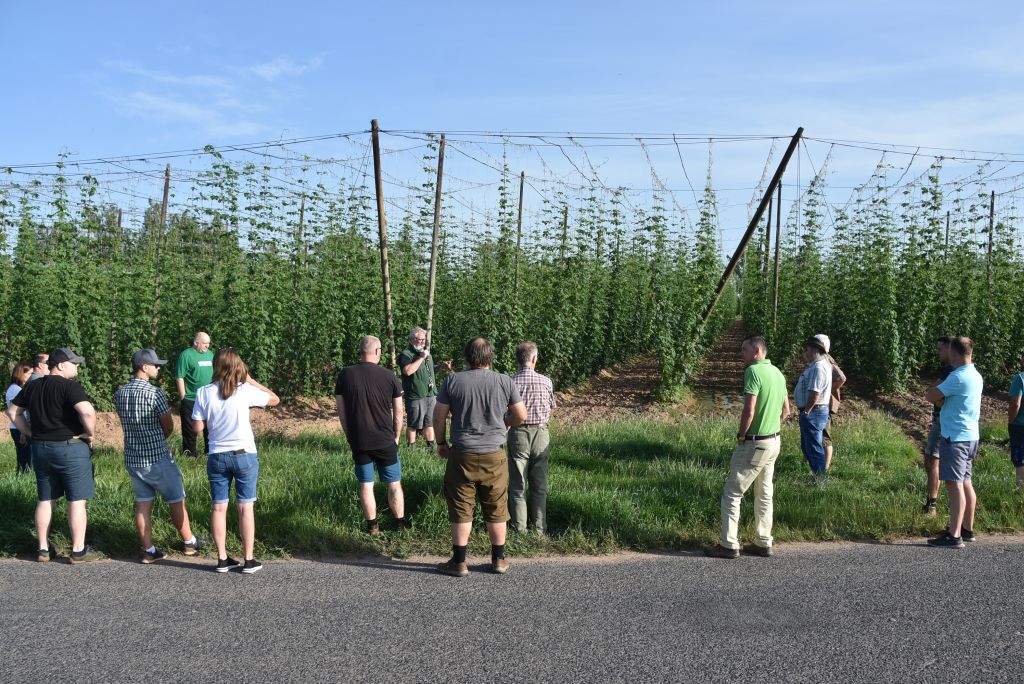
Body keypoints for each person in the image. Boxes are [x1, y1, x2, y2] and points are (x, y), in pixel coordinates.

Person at [433, 337, 527, 576]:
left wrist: (442, 443)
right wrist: (505, 423)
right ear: (490, 357)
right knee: (496, 505)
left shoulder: (452, 380)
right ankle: (498, 560)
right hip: (494, 454)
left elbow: (438, 416)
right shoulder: (504, 381)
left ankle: (460, 562)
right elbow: (521, 415)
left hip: (462, 453)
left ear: (467, 357)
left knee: (462, 506)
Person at [6, 348, 105, 563]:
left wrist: (29, 432)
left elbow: (12, 412)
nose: (77, 366)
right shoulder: (70, 387)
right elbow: (87, 411)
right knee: (77, 500)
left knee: (45, 498)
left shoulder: (31, 386)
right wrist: (89, 433)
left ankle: (42, 548)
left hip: (41, 448)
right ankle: (78, 551)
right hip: (71, 447)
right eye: (74, 363)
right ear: (60, 365)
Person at [192, 348, 279, 574]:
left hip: (217, 455)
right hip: (244, 454)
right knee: (245, 507)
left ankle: (222, 559)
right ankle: (248, 560)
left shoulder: (203, 392)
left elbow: (198, 428)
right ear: (237, 366)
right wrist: (250, 380)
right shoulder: (245, 390)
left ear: (216, 366)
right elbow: (274, 400)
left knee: (219, 507)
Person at [114, 349, 205, 563]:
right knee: (176, 499)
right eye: (155, 365)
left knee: (143, 503)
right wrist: (159, 441)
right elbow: (168, 426)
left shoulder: (120, 392)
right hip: (156, 457)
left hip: (133, 458)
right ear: (144, 368)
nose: (158, 368)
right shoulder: (155, 393)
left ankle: (149, 549)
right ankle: (189, 542)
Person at [706, 336, 790, 559]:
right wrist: (772, 427)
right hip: (774, 441)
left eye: (744, 349)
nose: (740, 353)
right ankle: (763, 542)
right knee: (764, 493)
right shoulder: (778, 374)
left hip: (755, 442)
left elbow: (749, 410)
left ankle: (728, 544)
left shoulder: (753, 372)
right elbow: (787, 411)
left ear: (757, 351)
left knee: (733, 492)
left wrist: (742, 435)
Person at [335, 335, 411, 535]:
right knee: (394, 483)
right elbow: (399, 412)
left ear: (361, 352)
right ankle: (400, 524)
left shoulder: (345, 375)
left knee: (366, 484)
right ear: (377, 352)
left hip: (359, 440)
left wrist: (349, 435)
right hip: (385, 440)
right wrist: (396, 436)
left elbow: (341, 411)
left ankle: (372, 527)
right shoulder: (389, 376)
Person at [925, 336, 982, 548]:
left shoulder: (957, 377)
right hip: (970, 436)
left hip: (955, 437)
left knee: (954, 484)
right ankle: (967, 529)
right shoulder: (975, 374)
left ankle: (954, 535)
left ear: (955, 353)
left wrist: (940, 398)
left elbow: (931, 395)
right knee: (966, 482)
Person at [507, 341, 556, 534]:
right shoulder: (546, 381)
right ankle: (539, 528)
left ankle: (520, 528)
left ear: (517, 360)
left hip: (518, 433)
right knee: (539, 484)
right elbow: (551, 407)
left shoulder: (510, 381)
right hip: (541, 433)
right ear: (534, 359)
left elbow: (506, 412)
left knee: (518, 485)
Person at [398, 327, 452, 448]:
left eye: (424, 340)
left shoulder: (426, 353)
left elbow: (429, 371)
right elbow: (407, 371)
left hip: (430, 394)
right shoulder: (406, 354)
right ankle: (411, 449)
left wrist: (442, 367)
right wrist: (421, 357)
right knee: (413, 424)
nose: (422, 342)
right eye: (419, 339)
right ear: (412, 339)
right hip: (415, 395)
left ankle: (431, 449)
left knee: (429, 423)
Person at [794, 334, 833, 482]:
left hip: (814, 411)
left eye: (808, 349)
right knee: (808, 445)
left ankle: (820, 479)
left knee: (814, 446)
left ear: (816, 350)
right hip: (813, 411)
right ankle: (817, 474)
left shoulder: (818, 367)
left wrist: (807, 410)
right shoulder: (818, 365)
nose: (806, 352)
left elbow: (815, 392)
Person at [923, 337, 954, 515]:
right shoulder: (951, 369)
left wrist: (933, 393)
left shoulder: (950, 370)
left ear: (951, 350)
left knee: (933, 459)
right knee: (931, 458)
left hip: (941, 420)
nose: (938, 352)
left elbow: (933, 391)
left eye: (940, 349)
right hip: (940, 418)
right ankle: (931, 501)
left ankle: (932, 504)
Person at [175, 332, 214, 458]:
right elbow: (180, 376)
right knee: (190, 429)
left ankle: (210, 452)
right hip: (191, 398)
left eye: (208, 343)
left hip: (209, 398)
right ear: (196, 343)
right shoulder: (186, 355)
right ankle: (190, 455)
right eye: (204, 343)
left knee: (210, 427)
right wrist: (183, 397)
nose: (207, 346)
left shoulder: (210, 354)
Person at [821, 344, 847, 472]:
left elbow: (841, 378)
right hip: (822, 404)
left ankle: (824, 470)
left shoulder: (826, 360)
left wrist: (826, 391)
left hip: (824, 405)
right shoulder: (822, 359)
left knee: (825, 437)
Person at [5, 361, 34, 474]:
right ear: (21, 373)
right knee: (25, 461)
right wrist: (23, 432)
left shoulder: (19, 388)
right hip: (20, 428)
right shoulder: (15, 389)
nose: (31, 376)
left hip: (22, 427)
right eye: (29, 373)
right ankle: (21, 483)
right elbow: (17, 412)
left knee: (27, 460)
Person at [1009, 352, 1024, 491]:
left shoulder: (1020, 378)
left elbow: (1015, 405)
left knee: (1020, 459)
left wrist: (1010, 421)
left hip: (1020, 425)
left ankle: (1020, 491)